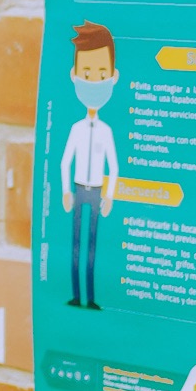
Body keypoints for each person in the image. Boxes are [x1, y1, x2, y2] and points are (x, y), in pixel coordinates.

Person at [60, 20, 120, 310]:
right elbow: (64, 161)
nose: (94, 81)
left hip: (96, 192)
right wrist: (65, 191)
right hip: (78, 189)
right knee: (74, 247)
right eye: (87, 74)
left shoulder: (107, 131)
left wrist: (109, 197)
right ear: (74, 75)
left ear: (113, 77)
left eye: (100, 74)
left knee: (92, 248)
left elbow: (114, 167)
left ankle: (92, 298)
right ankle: (75, 295)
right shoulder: (76, 129)